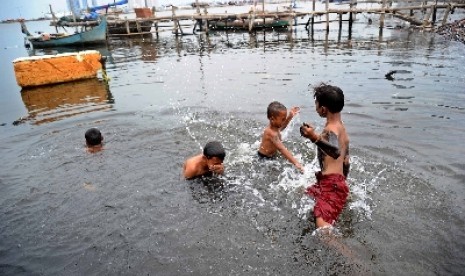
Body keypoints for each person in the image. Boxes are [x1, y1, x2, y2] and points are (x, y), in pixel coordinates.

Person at [300, 83, 350, 230]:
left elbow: (335, 151)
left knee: (322, 228)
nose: (316, 107)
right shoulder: (342, 127)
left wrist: (313, 137)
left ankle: (348, 253)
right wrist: (343, 185)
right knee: (305, 195)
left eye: (316, 104)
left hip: (331, 184)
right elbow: (346, 161)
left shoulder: (330, 130)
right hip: (333, 182)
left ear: (323, 109)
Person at [258, 101, 304, 172]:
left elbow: (282, 127)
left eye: (284, 118)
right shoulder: (271, 133)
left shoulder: (275, 127)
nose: (284, 121)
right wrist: (296, 163)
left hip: (272, 156)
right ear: (272, 119)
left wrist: (290, 117)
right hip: (264, 159)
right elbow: (282, 149)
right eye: (283, 119)